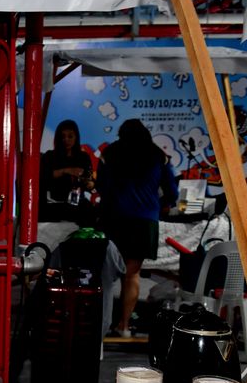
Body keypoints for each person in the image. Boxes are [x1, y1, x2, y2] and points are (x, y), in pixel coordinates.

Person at [97, 119, 178, 337]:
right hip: (144, 222)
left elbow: (101, 187)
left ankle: (100, 326)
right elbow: (172, 193)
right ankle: (124, 326)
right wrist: (157, 206)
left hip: (114, 219)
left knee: (105, 275)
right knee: (132, 275)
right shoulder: (158, 156)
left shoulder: (109, 153)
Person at [39, 119, 94, 223]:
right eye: (62, 137)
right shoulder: (50, 156)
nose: (66, 140)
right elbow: (44, 177)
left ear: (76, 137)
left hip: (76, 203)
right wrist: (66, 171)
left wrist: (88, 183)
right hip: (53, 204)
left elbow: (89, 181)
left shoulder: (84, 157)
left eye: (70, 136)